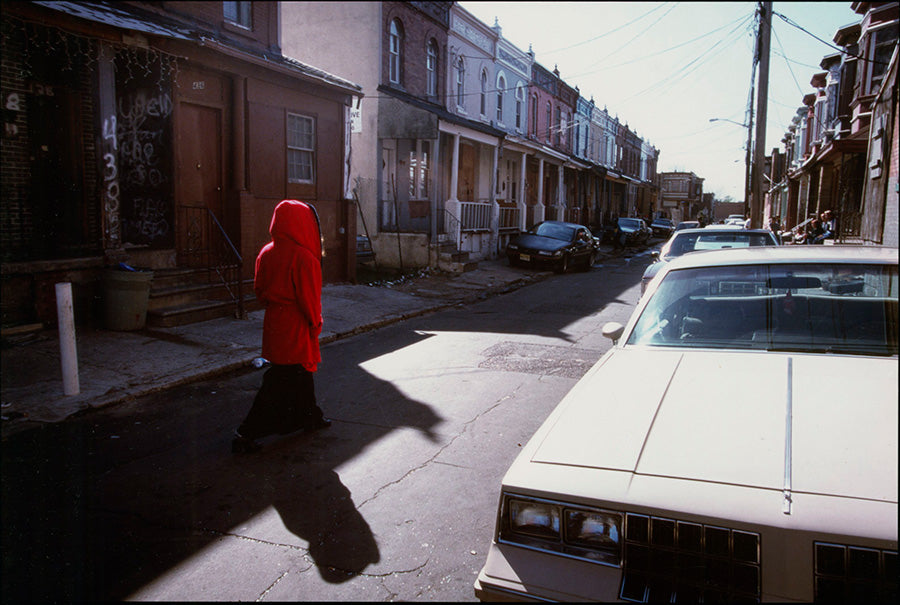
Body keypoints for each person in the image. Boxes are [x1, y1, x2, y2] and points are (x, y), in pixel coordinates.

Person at [233, 200, 331, 453]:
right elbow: (309, 300)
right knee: (283, 377)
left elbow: (259, 289)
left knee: (297, 373)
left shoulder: (266, 252)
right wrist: (315, 323)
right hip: (295, 322)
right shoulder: (304, 257)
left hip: (274, 321)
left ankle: (311, 416)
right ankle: (246, 432)